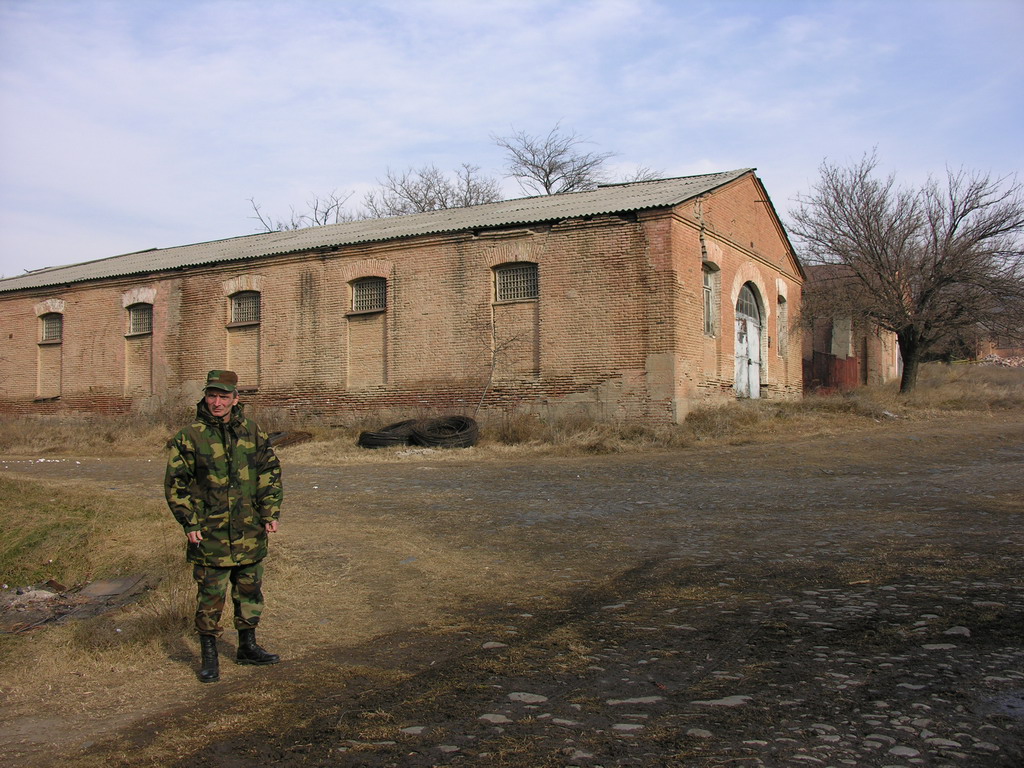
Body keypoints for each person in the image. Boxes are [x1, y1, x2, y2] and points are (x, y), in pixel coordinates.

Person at [165, 369, 284, 683]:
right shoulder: (189, 436)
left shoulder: (252, 432)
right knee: (210, 596)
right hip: (210, 532)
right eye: (212, 396)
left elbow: (269, 472)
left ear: (235, 398)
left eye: (223, 396)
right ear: (205, 396)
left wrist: (270, 512)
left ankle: (247, 647)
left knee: (249, 591)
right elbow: (176, 484)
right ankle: (209, 657)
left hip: (249, 528)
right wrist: (189, 521)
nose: (217, 402)